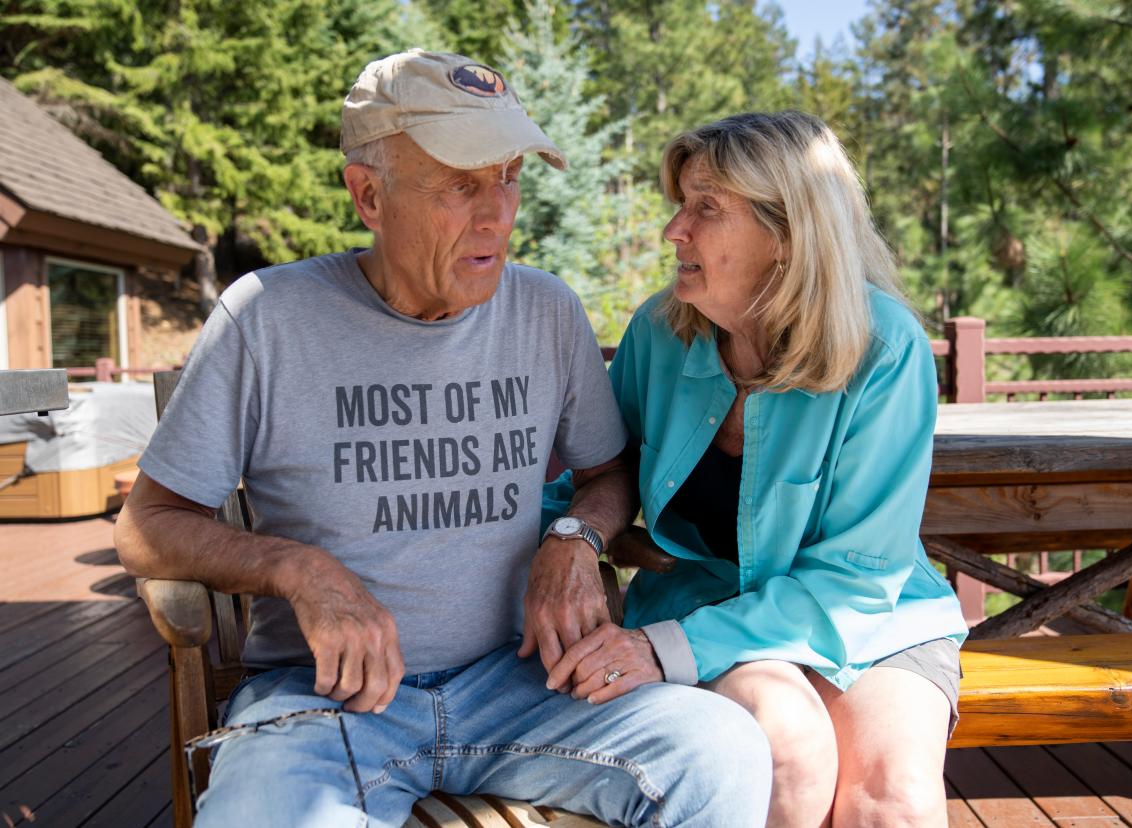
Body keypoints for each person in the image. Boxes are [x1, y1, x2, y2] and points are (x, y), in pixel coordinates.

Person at [114, 50, 770, 828]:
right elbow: (146, 527)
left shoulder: (545, 311)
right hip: (329, 703)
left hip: (526, 688)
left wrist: (573, 534)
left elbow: (612, 471)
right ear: (369, 196)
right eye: (461, 185)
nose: (497, 214)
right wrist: (299, 570)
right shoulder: (266, 318)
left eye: (510, 177)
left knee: (721, 749)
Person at [544, 111, 969, 827]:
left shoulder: (885, 348)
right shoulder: (660, 332)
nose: (674, 230)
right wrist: (576, 539)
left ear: (789, 234)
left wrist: (665, 648)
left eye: (705, 208)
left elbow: (861, 575)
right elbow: (594, 475)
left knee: (893, 799)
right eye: (680, 204)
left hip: (870, 614)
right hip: (706, 602)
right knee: (789, 758)